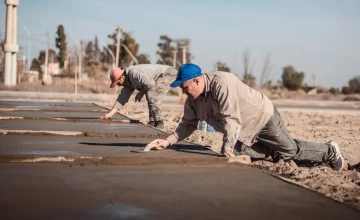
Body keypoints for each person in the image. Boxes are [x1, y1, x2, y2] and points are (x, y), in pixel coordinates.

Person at [146, 63, 345, 170]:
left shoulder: (222, 83)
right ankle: (274, 150)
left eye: (185, 87)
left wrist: (226, 148)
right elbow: (188, 124)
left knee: (289, 150)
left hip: (262, 118)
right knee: (252, 154)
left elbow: (231, 118)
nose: (183, 92)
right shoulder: (193, 100)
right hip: (242, 131)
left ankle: (329, 151)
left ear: (197, 81)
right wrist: (167, 141)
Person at [100, 64, 177, 130]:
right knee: (150, 94)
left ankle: (159, 123)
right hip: (160, 76)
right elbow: (121, 99)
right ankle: (153, 122)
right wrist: (109, 114)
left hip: (167, 73)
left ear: (122, 78)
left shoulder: (134, 74)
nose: (118, 85)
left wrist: (141, 92)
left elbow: (150, 83)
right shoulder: (128, 82)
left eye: (118, 83)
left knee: (152, 95)